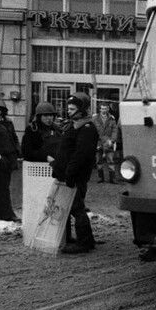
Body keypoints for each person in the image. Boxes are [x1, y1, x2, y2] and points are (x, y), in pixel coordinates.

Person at [51, 92, 99, 254]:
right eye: (68, 108)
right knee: (72, 207)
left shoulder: (87, 128)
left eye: (72, 109)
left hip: (75, 176)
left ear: (81, 109)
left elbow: (80, 155)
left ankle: (84, 242)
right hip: (68, 174)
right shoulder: (75, 125)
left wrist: (70, 174)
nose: (68, 111)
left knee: (77, 208)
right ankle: (83, 239)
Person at [92, 103, 120, 184]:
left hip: (108, 142)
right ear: (100, 109)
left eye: (105, 108)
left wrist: (112, 140)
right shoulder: (95, 119)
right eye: (102, 108)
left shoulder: (111, 119)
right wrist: (94, 142)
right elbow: (92, 131)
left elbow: (115, 130)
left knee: (111, 161)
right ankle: (100, 178)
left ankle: (112, 178)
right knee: (98, 161)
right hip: (98, 143)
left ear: (108, 109)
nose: (104, 110)